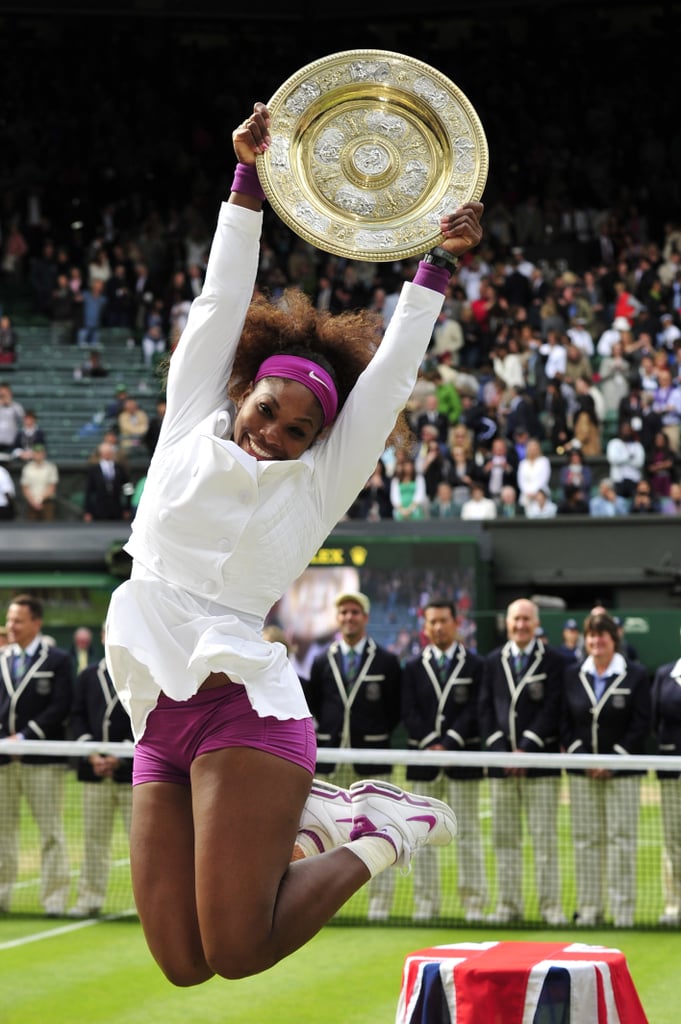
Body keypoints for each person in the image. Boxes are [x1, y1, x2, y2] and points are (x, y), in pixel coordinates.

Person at [102, 103, 481, 985]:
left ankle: (385, 829)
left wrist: (433, 268)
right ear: (243, 394)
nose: (274, 431)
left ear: (320, 443)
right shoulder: (191, 422)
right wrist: (246, 181)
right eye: (268, 411)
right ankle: (314, 821)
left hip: (244, 710)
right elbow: (218, 300)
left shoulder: (316, 483)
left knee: (238, 954)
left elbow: (385, 383)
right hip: (159, 709)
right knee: (181, 964)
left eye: (299, 429)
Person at [305, 591, 402, 921]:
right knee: (328, 834)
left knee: (380, 833)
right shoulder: (322, 659)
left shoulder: (386, 661)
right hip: (333, 759)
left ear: (365, 617)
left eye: (355, 612)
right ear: (338, 618)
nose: (349, 618)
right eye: (344, 612)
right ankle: (327, 907)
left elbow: (393, 710)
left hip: (372, 757)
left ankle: (381, 905)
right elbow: (317, 704)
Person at [479, 597, 566, 925]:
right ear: (507, 622)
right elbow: (484, 708)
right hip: (501, 768)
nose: (520, 625)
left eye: (526, 619)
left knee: (544, 841)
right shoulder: (492, 661)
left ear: (536, 622)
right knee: (504, 840)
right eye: (516, 619)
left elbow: (553, 708)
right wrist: (501, 749)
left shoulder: (555, 661)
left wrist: (527, 747)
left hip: (539, 766)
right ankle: (507, 906)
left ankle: (550, 908)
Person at [561, 611, 651, 928]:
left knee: (621, 839)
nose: (596, 641)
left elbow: (642, 722)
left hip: (622, 773)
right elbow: (564, 723)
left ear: (614, 640)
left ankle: (623, 912)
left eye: (603, 635)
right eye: (591, 635)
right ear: (585, 640)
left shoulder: (636, 675)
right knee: (585, 840)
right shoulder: (572, 674)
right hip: (582, 773)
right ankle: (589, 910)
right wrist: (583, 758)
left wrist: (613, 759)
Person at [401, 600, 488, 923]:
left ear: (456, 623)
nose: (438, 627)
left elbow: (476, 709)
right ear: (425, 627)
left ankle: (474, 905)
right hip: (423, 761)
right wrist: (430, 744)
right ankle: (426, 904)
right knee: (420, 836)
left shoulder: (476, 666)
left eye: (444, 621)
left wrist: (449, 744)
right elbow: (408, 710)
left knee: (468, 835)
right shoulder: (411, 668)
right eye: (432, 622)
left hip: (462, 759)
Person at [0, 594, 73, 915]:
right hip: (4, 761)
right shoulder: (2, 658)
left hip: (42, 759)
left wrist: (26, 736)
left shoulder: (57, 659)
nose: (10, 626)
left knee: (50, 832)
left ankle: (54, 901)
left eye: (17, 620)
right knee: (3, 832)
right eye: (9, 619)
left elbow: (61, 706)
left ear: (36, 623)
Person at [68, 627, 134, 918]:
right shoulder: (88, 675)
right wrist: (92, 753)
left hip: (133, 773)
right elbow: (76, 716)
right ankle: (89, 899)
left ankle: (148, 906)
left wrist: (122, 757)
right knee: (93, 840)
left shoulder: (143, 673)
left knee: (142, 843)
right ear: (103, 637)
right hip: (94, 771)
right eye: (110, 631)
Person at [652, 635, 681, 926]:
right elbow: (654, 721)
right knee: (674, 840)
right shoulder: (664, 674)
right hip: (672, 770)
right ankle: (675, 906)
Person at [83, 440, 132, 522]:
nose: (107, 454)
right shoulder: (94, 470)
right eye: (105, 452)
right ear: (101, 453)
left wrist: (127, 507)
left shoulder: (120, 468)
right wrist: (88, 511)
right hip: (98, 510)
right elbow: (88, 492)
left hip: (117, 509)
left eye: (109, 452)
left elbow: (128, 488)